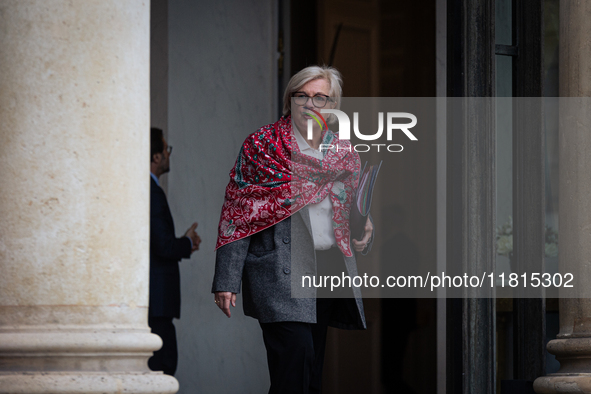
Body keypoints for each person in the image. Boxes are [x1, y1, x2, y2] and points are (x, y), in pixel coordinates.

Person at [212, 66, 373, 393]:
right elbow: (238, 210)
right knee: (295, 361)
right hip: (280, 268)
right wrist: (227, 279)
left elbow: (350, 208)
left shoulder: (343, 153)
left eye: (319, 97)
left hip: (327, 267)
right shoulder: (261, 145)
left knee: (310, 372)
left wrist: (365, 228)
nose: (309, 104)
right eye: (302, 95)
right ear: (290, 100)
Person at [149, 127, 201, 376]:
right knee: (163, 368)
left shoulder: (146, 190)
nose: (169, 154)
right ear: (157, 156)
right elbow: (163, 246)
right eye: (166, 149)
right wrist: (187, 243)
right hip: (157, 305)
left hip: (152, 304)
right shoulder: (152, 192)